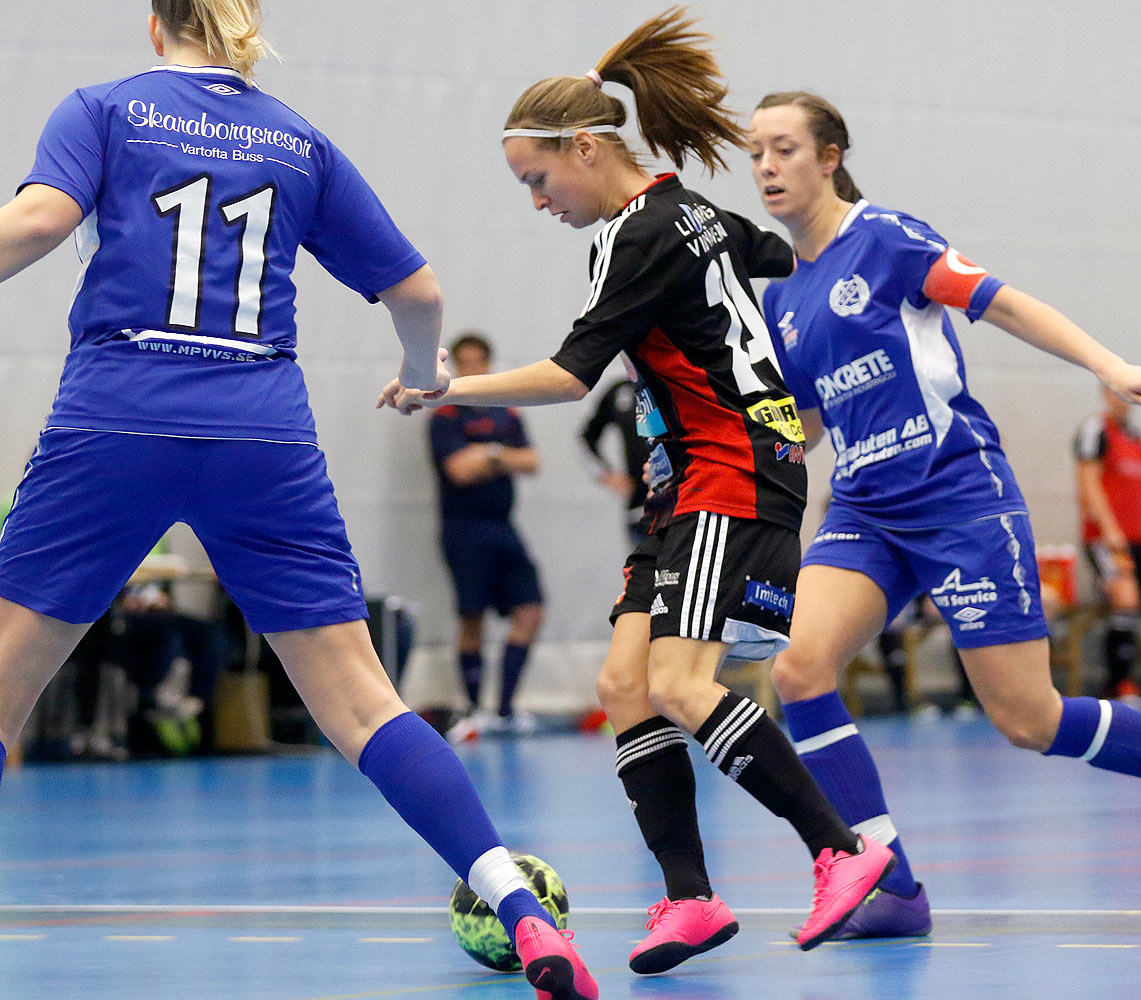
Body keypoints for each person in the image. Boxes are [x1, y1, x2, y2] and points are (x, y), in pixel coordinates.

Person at [0, 4, 595, 997]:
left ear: (157, 27)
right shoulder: (298, 140)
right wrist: (422, 373)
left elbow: (35, 223)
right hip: (261, 433)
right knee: (365, 703)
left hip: (118, 417)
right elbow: (418, 291)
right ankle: (520, 908)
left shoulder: (103, 108)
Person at [380, 10, 894, 974]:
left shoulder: (637, 233)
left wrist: (447, 383)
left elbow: (575, 375)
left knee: (680, 684)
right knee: (624, 685)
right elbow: (785, 259)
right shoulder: (697, 213)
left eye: (538, 179)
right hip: (697, 476)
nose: (536, 202)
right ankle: (690, 901)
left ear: (585, 147)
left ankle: (841, 848)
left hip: (731, 472)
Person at [747, 92, 1141, 938]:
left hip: (957, 495)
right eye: (756, 153)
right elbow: (806, 425)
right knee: (799, 671)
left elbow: (1002, 301)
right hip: (863, 507)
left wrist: (1110, 366)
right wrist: (729, 474)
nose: (767, 167)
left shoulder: (887, 240)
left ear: (830, 155)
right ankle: (890, 882)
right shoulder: (782, 296)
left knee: (1027, 719)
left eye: (784, 148)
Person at [429, 331, 546, 741]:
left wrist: (489, 454)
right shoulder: (445, 416)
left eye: (481, 361)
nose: (474, 369)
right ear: (457, 366)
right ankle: (475, 709)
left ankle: (506, 708)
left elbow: (531, 461)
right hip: (463, 529)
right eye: (467, 362)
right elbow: (458, 470)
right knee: (472, 616)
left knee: (530, 609)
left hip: (503, 525)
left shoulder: (507, 413)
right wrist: (501, 455)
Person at [1075, 385, 1141, 700]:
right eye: (1115, 394)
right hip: (1108, 541)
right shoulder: (1096, 431)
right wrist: (1111, 532)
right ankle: (1119, 683)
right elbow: (1088, 484)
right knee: (1126, 598)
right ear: (1105, 395)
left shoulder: (1140, 441)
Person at [578, 374, 654, 550]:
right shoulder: (622, 391)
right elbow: (586, 437)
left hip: (682, 506)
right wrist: (606, 474)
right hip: (639, 509)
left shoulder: (680, 383)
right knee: (643, 574)